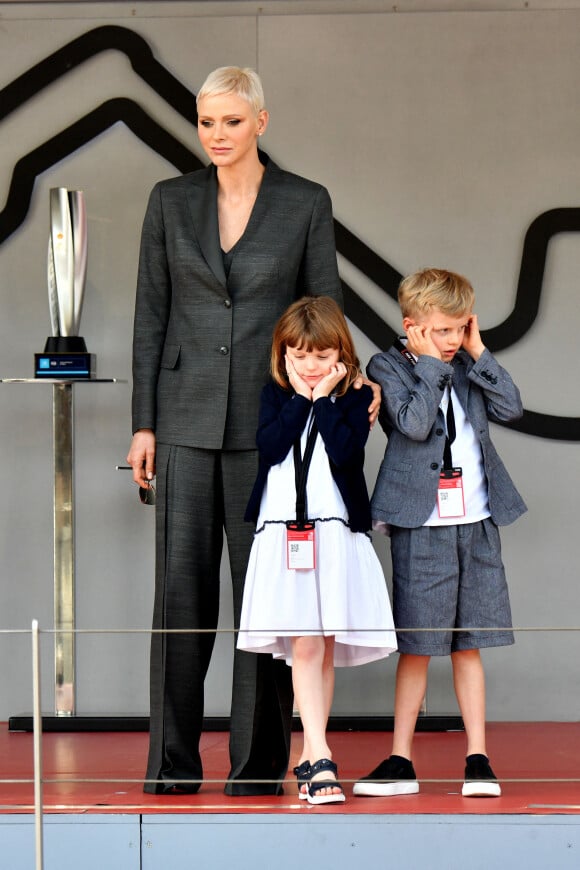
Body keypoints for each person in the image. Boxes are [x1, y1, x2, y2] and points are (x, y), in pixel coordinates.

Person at [127, 66, 378, 796]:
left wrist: (352, 377)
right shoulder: (169, 200)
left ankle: (258, 766)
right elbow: (150, 315)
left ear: (260, 123)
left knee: (267, 600)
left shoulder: (304, 201)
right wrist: (143, 423)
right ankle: (170, 768)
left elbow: (324, 305)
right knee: (179, 597)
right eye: (207, 122)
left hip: (271, 425)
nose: (217, 136)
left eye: (231, 122)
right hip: (180, 419)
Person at [354, 268, 527, 799]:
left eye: (460, 329)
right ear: (413, 326)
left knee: (468, 643)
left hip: (476, 519)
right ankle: (400, 760)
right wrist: (430, 365)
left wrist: (478, 352)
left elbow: (510, 406)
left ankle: (478, 759)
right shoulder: (389, 365)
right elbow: (410, 424)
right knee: (418, 644)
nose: (452, 340)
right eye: (443, 331)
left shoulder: (468, 359)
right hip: (421, 524)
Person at [237, 296, 397, 805]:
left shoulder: (352, 399)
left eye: (322, 354)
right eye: (300, 354)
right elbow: (272, 447)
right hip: (285, 531)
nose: (311, 365)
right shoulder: (274, 396)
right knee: (305, 643)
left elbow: (347, 453)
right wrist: (301, 399)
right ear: (284, 354)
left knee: (322, 643)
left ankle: (310, 753)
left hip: (333, 531)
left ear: (341, 355)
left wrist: (326, 398)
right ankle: (320, 755)